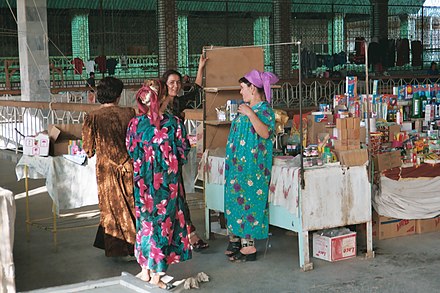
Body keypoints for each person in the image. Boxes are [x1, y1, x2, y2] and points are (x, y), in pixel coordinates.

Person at [126, 80, 192, 290]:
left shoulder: (134, 124)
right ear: (162, 98)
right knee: (163, 226)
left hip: (143, 184)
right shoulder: (173, 123)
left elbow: (131, 150)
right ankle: (156, 275)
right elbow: (183, 152)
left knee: (145, 224)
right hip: (166, 186)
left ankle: (145, 270)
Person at [224, 69, 278, 262]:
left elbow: (265, 133)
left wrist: (249, 113)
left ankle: (249, 248)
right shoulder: (245, 109)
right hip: (238, 166)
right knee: (234, 201)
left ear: (253, 88)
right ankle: (236, 241)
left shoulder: (264, 110)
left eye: (242, 88)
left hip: (253, 169)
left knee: (250, 205)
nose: (240, 92)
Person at [82, 77, 136, 257]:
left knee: (112, 210)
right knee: (132, 207)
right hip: (129, 167)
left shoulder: (93, 117)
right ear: (119, 95)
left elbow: (88, 149)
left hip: (107, 171)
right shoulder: (130, 113)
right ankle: (138, 248)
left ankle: (118, 249)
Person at [160, 54, 209, 250]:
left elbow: (196, 91)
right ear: (164, 84)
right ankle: (187, 234)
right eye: (171, 82)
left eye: (178, 82)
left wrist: (200, 68)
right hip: (160, 158)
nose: (175, 86)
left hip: (175, 157)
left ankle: (187, 233)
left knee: (178, 194)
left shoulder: (178, 102)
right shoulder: (155, 106)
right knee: (167, 196)